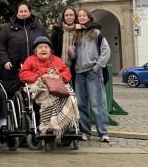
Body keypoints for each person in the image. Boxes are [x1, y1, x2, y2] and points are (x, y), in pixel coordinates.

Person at [18, 36, 78, 138]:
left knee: (69, 95)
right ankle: (47, 128)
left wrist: (57, 76)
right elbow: (23, 74)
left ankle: (66, 126)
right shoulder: (30, 60)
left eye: (46, 47)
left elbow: (67, 75)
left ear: (50, 50)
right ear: (35, 51)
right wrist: (39, 78)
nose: (43, 49)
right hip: (39, 86)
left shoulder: (57, 60)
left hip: (57, 86)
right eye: (40, 47)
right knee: (48, 97)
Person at [70, 9, 111, 143]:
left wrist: (98, 66)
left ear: (89, 18)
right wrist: (71, 53)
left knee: (96, 103)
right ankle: (85, 132)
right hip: (80, 73)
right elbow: (75, 56)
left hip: (93, 72)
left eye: (84, 16)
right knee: (81, 104)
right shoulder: (76, 35)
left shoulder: (96, 33)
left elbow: (106, 51)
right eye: (79, 16)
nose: (81, 17)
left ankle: (103, 132)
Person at [0, 1, 48, 95]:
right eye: (21, 11)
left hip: (35, 68)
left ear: (30, 12)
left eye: (25, 11)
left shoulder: (39, 27)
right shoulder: (7, 28)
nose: (23, 13)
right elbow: (0, 45)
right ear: (17, 13)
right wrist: (5, 60)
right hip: (13, 68)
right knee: (16, 94)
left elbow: (48, 44)